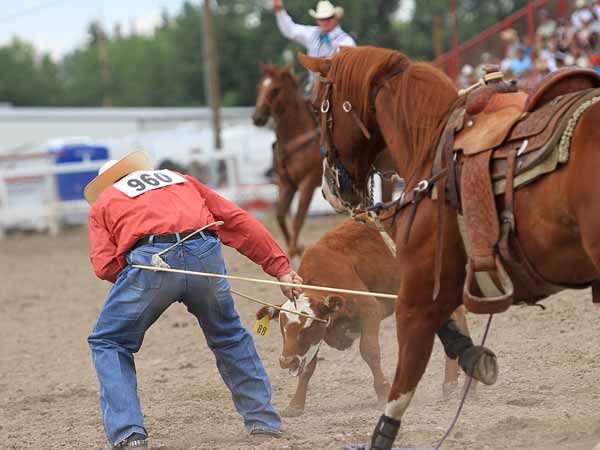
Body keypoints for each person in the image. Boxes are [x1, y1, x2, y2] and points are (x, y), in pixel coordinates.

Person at [85, 151, 303, 449]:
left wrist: (146, 283)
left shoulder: (105, 201)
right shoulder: (181, 180)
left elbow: (105, 265)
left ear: (108, 183)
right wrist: (280, 269)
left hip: (151, 262)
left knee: (108, 341)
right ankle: (263, 422)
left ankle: (128, 434)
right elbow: (237, 222)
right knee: (229, 335)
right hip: (205, 252)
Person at [272, 0, 356, 94]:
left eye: (328, 18)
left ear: (335, 19)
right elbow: (290, 30)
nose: (325, 21)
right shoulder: (312, 33)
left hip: (338, 93)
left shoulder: (346, 41)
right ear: (317, 20)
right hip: (313, 92)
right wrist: (280, 11)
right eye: (321, 18)